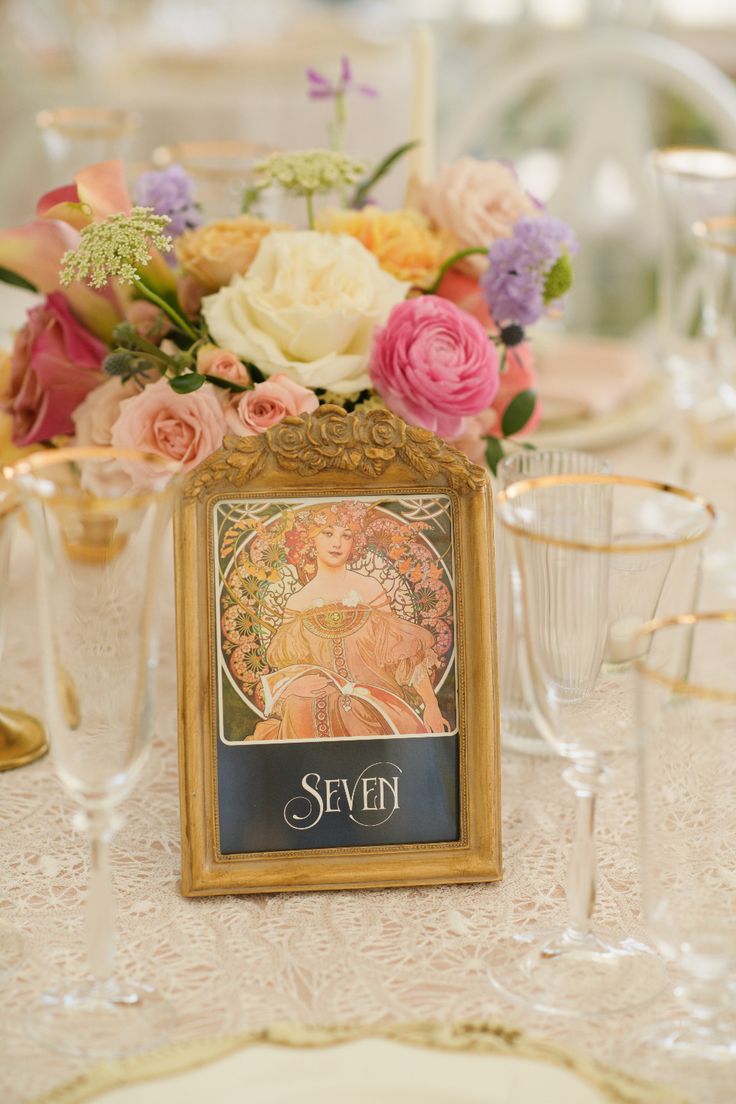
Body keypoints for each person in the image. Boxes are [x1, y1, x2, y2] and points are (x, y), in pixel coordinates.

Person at [248, 501, 450, 741]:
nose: (337, 543)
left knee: (356, 711)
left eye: (347, 535)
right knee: (299, 711)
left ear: (356, 542)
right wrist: (294, 687)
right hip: (311, 706)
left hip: (373, 702)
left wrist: (431, 704)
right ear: (311, 540)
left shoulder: (370, 589)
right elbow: (287, 672)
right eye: (328, 533)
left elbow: (403, 653)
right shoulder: (298, 602)